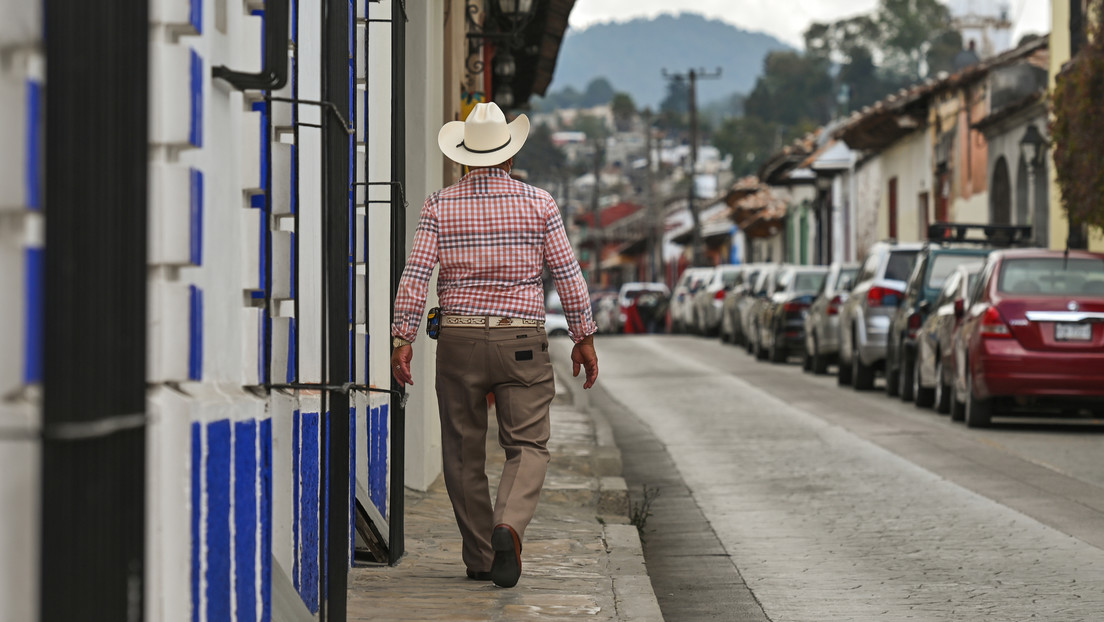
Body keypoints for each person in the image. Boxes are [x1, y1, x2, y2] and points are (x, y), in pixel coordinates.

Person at [390, 102, 599, 588]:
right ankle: (509, 524)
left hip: (459, 339)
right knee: (527, 443)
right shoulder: (540, 203)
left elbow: (416, 274)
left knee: (463, 452)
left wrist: (404, 336)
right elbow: (568, 274)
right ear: (508, 155)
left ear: (464, 156)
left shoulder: (440, 205)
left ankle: (483, 556)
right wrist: (583, 336)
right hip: (522, 338)